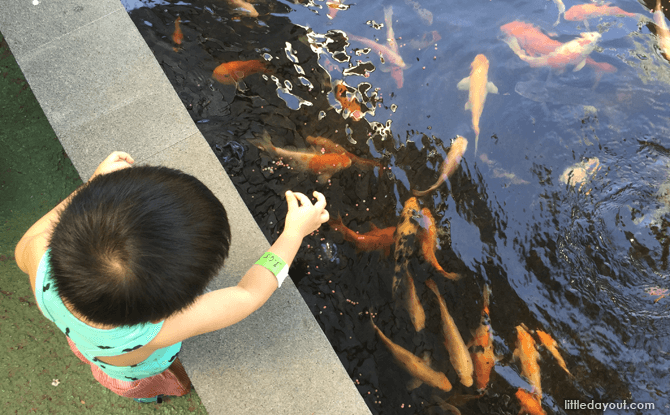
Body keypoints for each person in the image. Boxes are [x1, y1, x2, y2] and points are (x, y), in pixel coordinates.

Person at [14, 151, 329, 403]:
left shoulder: (38, 255)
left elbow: (28, 243)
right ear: (176, 302)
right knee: (148, 381)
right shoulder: (158, 330)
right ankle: (159, 390)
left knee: (92, 355)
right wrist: (293, 233)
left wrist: (93, 185)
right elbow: (249, 295)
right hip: (133, 370)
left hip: (82, 341)